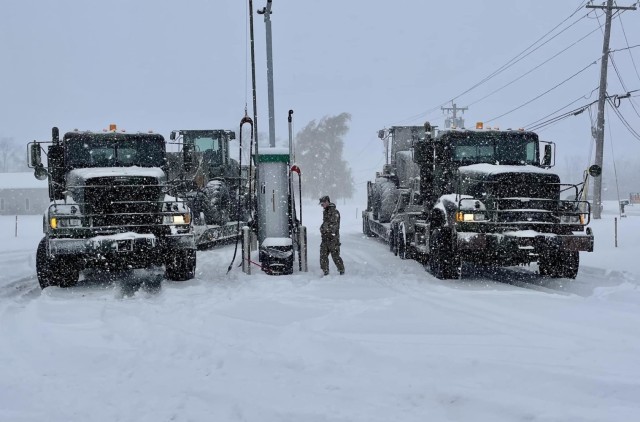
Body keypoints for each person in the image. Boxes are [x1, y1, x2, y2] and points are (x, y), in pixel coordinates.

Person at [319, 195, 345, 276]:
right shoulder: (326, 211)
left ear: (327, 202)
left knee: (335, 256)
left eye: (322, 204)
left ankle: (341, 270)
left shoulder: (334, 212)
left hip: (333, 238)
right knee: (323, 255)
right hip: (325, 238)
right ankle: (325, 271)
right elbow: (326, 223)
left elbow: (334, 226)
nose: (321, 206)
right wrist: (322, 228)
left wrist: (324, 228)